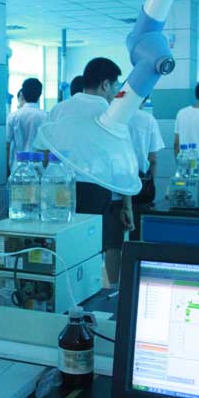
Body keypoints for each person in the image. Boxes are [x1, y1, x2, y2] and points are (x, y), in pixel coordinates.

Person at [47, 57, 134, 287]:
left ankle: (64, 292)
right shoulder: (111, 113)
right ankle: (88, 293)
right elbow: (122, 165)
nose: (115, 92)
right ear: (105, 84)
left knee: (64, 244)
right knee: (92, 249)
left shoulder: (59, 109)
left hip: (59, 187)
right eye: (115, 86)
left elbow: (43, 150)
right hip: (95, 190)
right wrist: (126, 206)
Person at [129, 97, 165, 241]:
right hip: (140, 182)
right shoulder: (148, 119)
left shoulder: (114, 117)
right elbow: (153, 159)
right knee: (138, 227)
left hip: (115, 183)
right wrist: (152, 183)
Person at [6, 77, 46, 171]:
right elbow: (47, 147)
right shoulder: (46, 117)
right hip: (39, 167)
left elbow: (7, 145)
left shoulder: (13, 116)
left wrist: (6, 168)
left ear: (22, 94)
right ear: (40, 94)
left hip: (17, 168)